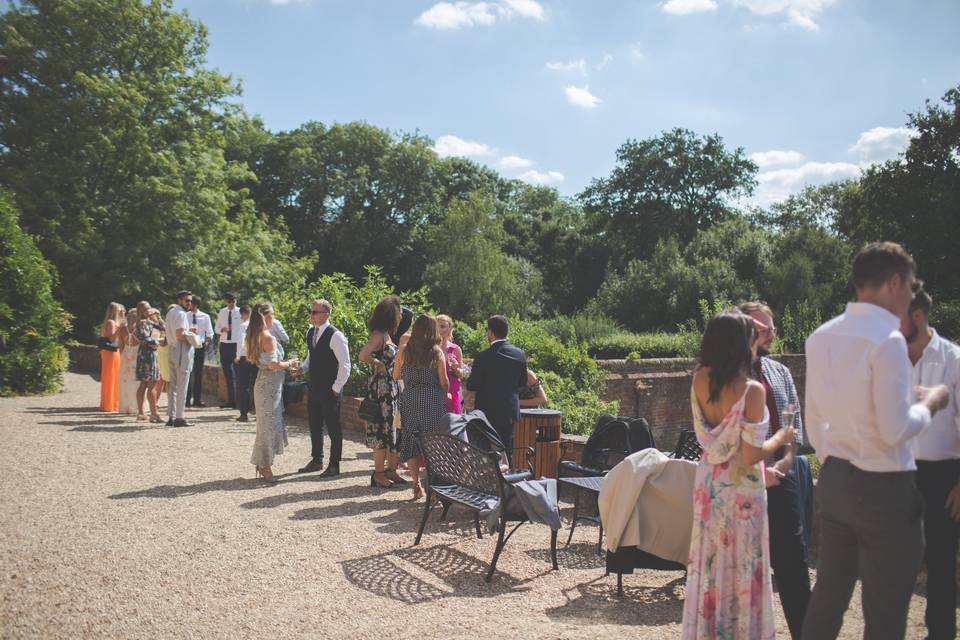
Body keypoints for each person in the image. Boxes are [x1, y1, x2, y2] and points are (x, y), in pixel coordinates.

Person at [801, 242, 950, 640]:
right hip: (884, 486)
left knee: (828, 600)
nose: (910, 296)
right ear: (894, 282)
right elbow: (894, 429)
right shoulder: (887, 339)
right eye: (910, 286)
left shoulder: (821, 336)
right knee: (884, 611)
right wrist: (931, 403)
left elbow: (813, 419)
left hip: (834, 479)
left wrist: (834, 458)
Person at [683, 310, 796, 640]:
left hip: (709, 483)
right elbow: (749, 455)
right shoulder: (752, 390)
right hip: (742, 490)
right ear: (741, 345)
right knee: (742, 563)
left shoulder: (699, 378)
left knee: (710, 561)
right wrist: (781, 437)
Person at [738, 301, 810, 640]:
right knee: (743, 573)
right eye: (764, 327)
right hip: (740, 484)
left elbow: (793, 431)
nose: (771, 332)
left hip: (783, 481)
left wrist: (780, 466)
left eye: (772, 327)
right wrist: (756, 472)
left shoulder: (781, 373)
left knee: (794, 569)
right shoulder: (728, 376)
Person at [900, 287, 960, 640]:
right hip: (897, 474)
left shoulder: (953, 360)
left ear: (918, 316)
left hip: (942, 476)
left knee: (940, 565)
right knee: (894, 565)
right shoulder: (889, 358)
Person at [394, 314, 449, 500]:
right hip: (431, 399)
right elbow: (444, 381)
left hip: (409, 398)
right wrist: (444, 393)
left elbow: (395, 376)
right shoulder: (436, 352)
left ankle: (416, 483)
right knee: (432, 443)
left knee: (411, 441)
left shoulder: (404, 350)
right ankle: (433, 487)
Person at [296, 299, 351, 477]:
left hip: (330, 389)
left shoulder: (336, 335)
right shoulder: (311, 332)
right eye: (311, 312)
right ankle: (317, 459)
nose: (311, 316)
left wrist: (336, 387)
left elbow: (345, 364)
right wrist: (302, 369)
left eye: (315, 312)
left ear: (326, 314)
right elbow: (311, 355)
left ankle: (334, 465)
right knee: (314, 425)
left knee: (334, 428)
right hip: (314, 387)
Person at [358, 298, 406, 489]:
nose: (401, 315)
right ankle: (378, 474)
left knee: (394, 429)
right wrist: (376, 363)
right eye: (399, 311)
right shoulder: (378, 335)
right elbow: (363, 355)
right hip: (382, 392)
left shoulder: (387, 335)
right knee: (381, 431)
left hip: (392, 390)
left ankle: (391, 470)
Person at [246, 303, 296, 483]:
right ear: (265, 317)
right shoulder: (268, 337)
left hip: (264, 384)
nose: (274, 318)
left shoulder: (254, 335)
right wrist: (290, 363)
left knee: (265, 427)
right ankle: (265, 465)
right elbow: (273, 365)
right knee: (268, 428)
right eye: (272, 315)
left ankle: (262, 463)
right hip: (269, 386)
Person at [465, 315, 528, 452]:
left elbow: (472, 385)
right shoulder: (519, 354)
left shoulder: (483, 357)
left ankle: (489, 474)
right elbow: (523, 382)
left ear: (490, 332)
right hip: (508, 410)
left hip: (486, 411)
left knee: (485, 450)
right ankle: (508, 472)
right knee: (506, 448)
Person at [165, 291, 197, 428]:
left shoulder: (170, 312)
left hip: (171, 349)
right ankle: (179, 418)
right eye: (186, 301)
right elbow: (179, 335)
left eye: (190, 301)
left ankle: (171, 417)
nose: (189, 303)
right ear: (179, 300)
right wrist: (194, 337)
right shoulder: (181, 314)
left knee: (173, 386)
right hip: (181, 350)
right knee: (182, 385)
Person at [134, 301, 162, 422]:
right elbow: (147, 340)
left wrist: (159, 317)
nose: (148, 311)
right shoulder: (141, 324)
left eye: (149, 308)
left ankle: (142, 413)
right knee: (151, 384)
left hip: (151, 355)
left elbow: (164, 328)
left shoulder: (151, 322)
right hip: (146, 356)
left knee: (146, 384)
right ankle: (153, 414)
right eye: (145, 309)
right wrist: (159, 341)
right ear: (140, 311)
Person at [185, 295, 214, 408]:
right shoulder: (185, 316)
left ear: (195, 304)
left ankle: (197, 399)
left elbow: (210, 333)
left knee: (198, 374)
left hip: (199, 347)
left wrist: (205, 343)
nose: (188, 304)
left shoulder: (205, 317)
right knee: (188, 372)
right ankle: (186, 400)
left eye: (190, 302)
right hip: (188, 345)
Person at [215, 292, 242, 409]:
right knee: (228, 374)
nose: (231, 304)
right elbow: (216, 329)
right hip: (225, 344)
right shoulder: (222, 312)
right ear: (226, 301)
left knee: (238, 373)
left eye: (233, 301)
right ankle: (231, 401)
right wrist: (222, 330)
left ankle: (239, 401)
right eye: (229, 302)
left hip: (236, 345)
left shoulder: (241, 312)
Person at [98, 302, 124, 412]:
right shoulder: (111, 322)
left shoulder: (110, 322)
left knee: (111, 377)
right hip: (111, 353)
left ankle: (109, 403)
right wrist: (120, 328)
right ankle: (110, 404)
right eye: (120, 311)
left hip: (110, 353)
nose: (122, 313)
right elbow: (112, 339)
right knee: (111, 377)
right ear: (115, 312)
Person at [436, 314, 464, 413]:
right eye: (437, 327)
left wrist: (456, 368)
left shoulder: (455, 349)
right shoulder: (430, 348)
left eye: (443, 327)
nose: (439, 330)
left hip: (452, 390)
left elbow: (461, 374)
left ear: (449, 329)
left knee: (452, 423)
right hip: (435, 389)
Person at [234, 305, 256, 423]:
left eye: (242, 315)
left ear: (245, 314)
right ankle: (258, 412)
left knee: (243, 386)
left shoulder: (242, 326)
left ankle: (244, 413)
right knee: (256, 385)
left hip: (245, 356)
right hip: (257, 357)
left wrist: (238, 355)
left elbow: (240, 341)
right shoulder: (257, 326)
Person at [117, 308, 141, 415]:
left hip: (125, 357)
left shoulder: (122, 329)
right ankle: (135, 407)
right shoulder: (140, 329)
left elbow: (121, 346)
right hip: (137, 357)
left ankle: (125, 407)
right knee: (137, 383)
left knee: (125, 382)